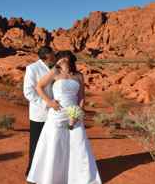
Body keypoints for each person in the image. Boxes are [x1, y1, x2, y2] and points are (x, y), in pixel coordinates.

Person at [27, 50, 102, 184]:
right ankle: (51, 177)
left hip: (74, 113)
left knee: (77, 144)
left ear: (70, 61)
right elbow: (39, 87)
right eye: (60, 59)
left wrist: (78, 111)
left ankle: (79, 178)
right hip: (57, 113)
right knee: (55, 143)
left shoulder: (78, 75)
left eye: (65, 60)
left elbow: (81, 96)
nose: (63, 62)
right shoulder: (54, 73)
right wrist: (49, 102)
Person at [23, 46, 57, 177]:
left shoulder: (55, 68)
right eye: (52, 56)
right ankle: (31, 170)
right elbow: (29, 92)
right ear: (46, 57)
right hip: (39, 114)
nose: (54, 58)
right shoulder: (32, 68)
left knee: (51, 143)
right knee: (36, 144)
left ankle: (48, 171)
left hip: (55, 113)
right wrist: (47, 103)